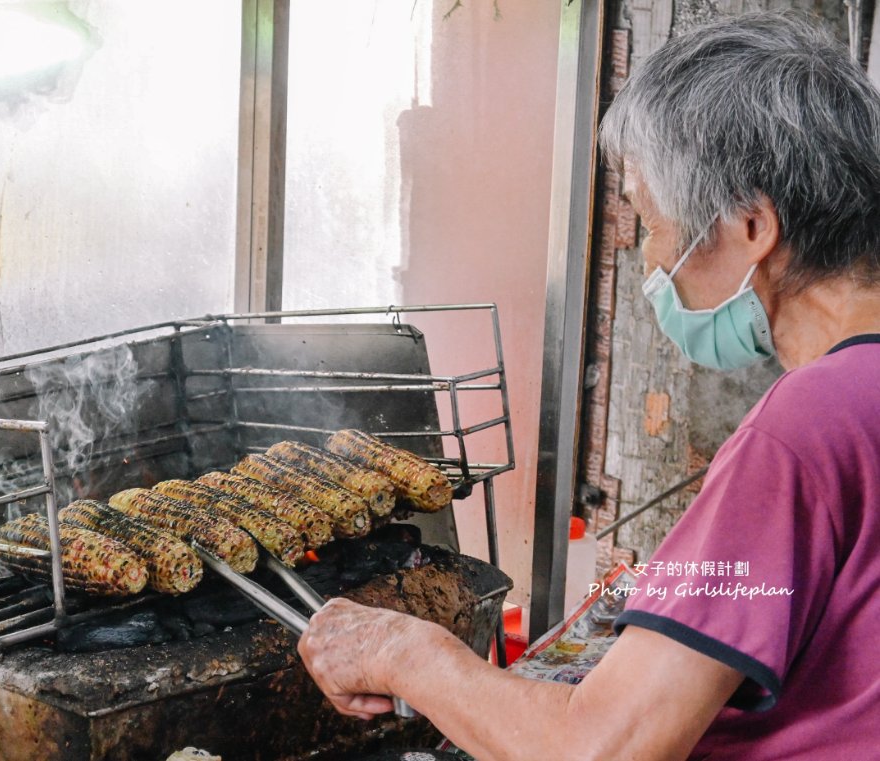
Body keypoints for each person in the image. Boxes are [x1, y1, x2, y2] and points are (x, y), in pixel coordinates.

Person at [298, 12, 880, 760]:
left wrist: (402, 651)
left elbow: (599, 748)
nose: (647, 263)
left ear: (750, 223)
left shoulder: (801, 432)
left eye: (650, 222)